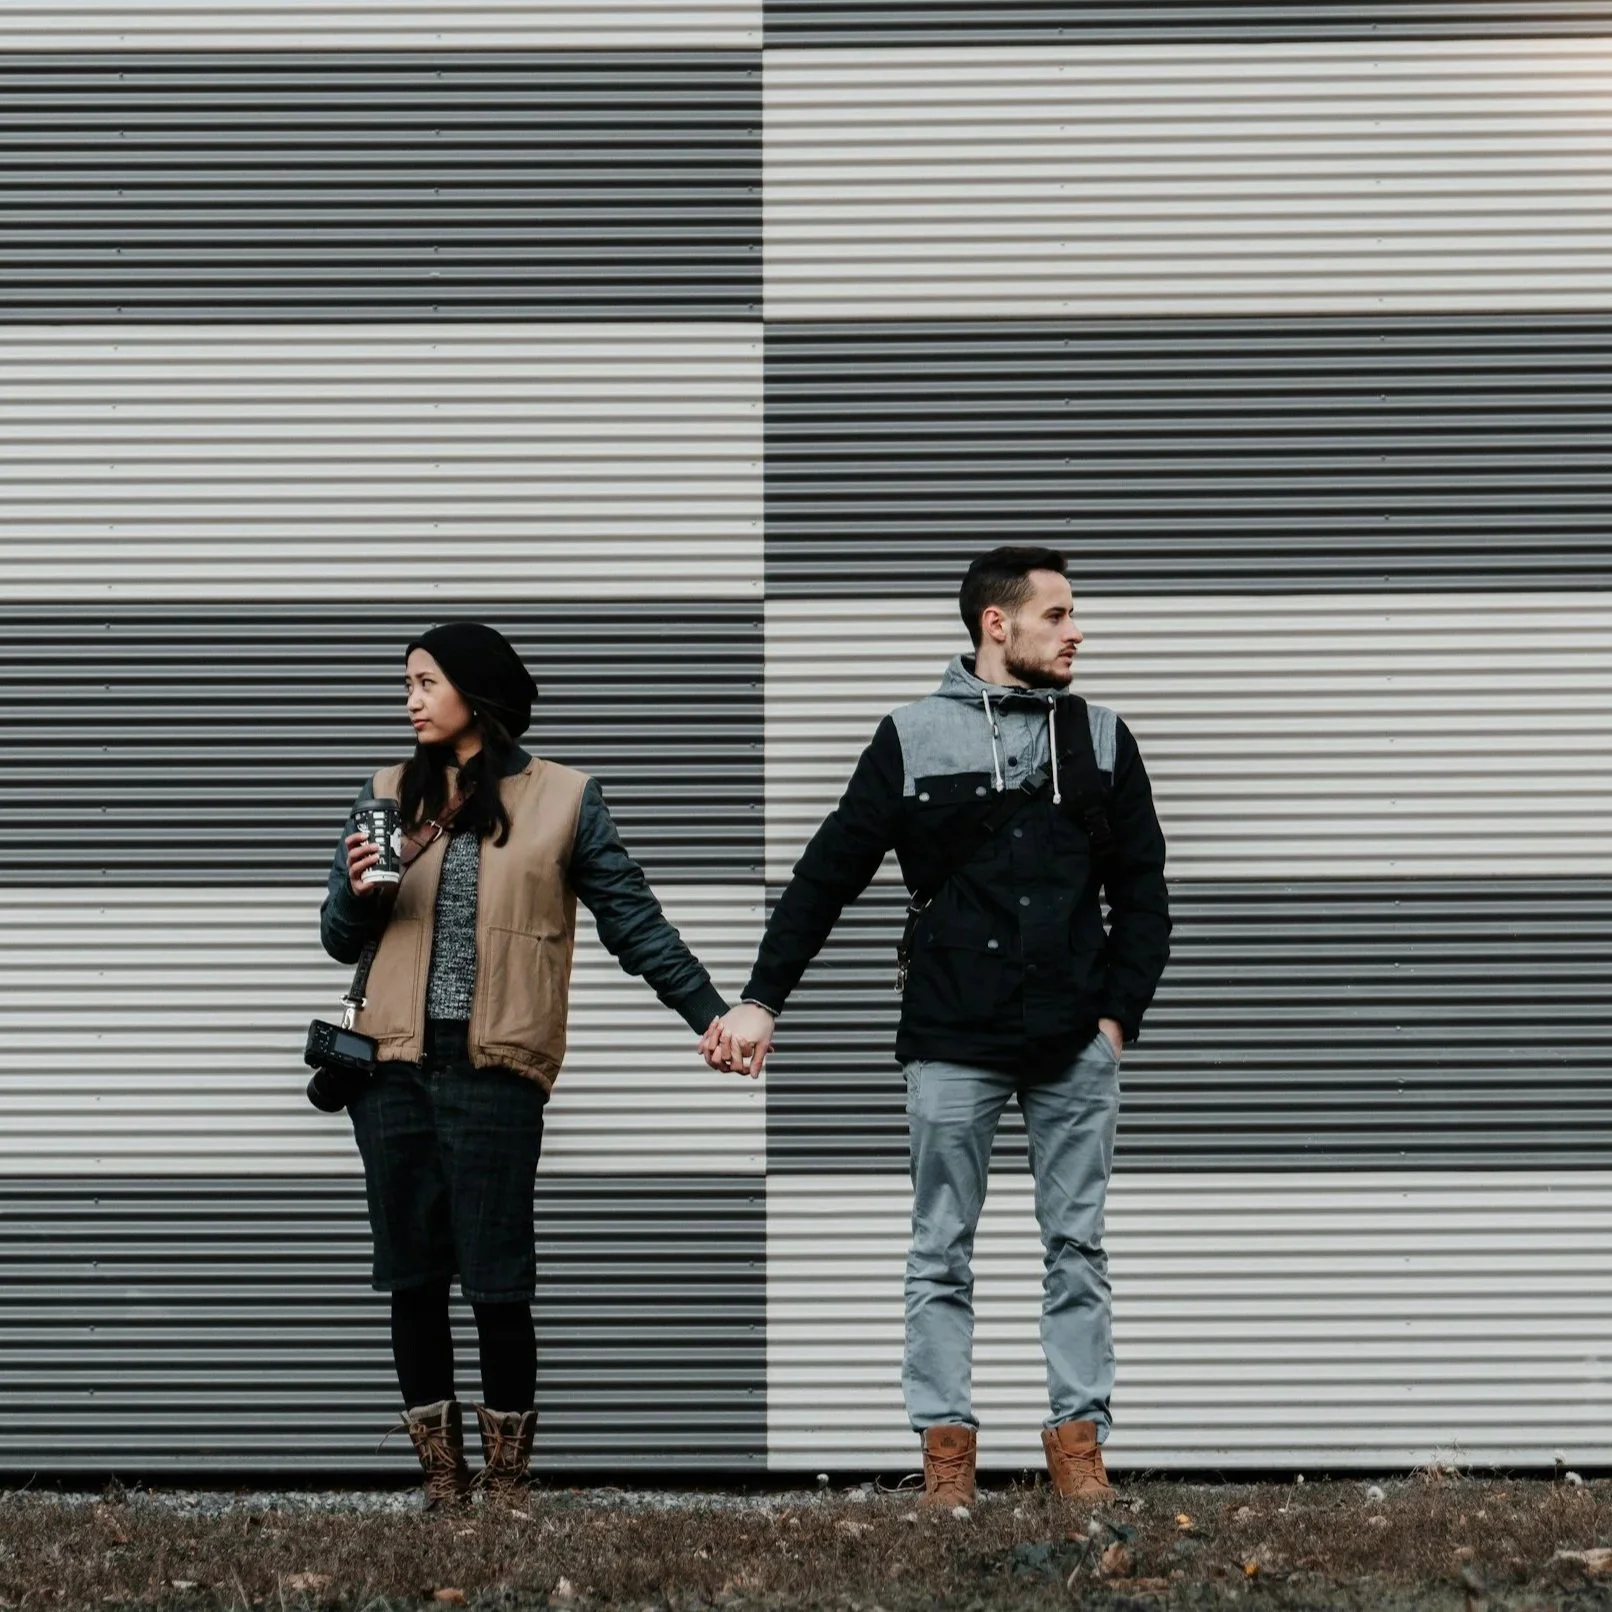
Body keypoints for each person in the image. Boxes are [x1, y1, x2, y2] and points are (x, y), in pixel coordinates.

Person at [703, 547, 1170, 1508]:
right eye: (1057, 615)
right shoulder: (911, 736)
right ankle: (946, 1458)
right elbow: (827, 875)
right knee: (940, 1248)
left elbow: (1145, 894)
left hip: (1073, 1042)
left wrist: (1115, 1020)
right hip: (952, 1036)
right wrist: (761, 998)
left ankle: (1080, 1450)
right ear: (998, 624)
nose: (1077, 632)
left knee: (1077, 1248)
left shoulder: (1103, 738)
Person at [320, 621, 728, 1508]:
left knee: (498, 1281)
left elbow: (635, 923)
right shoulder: (385, 793)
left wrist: (711, 1013)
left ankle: (506, 1485)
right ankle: (443, 1482)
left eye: (426, 682)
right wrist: (356, 895)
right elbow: (339, 938)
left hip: (498, 1069)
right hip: (390, 1070)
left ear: (477, 692)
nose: (409, 700)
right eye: (407, 684)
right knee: (411, 1279)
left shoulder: (565, 800)